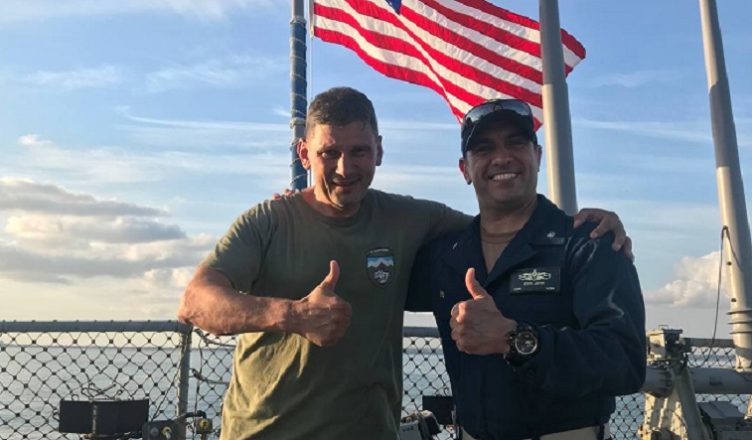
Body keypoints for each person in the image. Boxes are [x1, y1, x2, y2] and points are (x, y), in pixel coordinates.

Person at [177, 87, 630, 440]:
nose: (344, 168)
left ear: (379, 150)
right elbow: (196, 302)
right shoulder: (267, 221)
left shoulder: (413, 220)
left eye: (359, 151)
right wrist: (291, 315)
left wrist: (581, 226)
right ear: (304, 154)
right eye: (329, 153)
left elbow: (502, 223)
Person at [407, 99, 646, 440]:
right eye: (484, 148)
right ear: (465, 169)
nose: (502, 157)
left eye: (516, 143)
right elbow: (375, 284)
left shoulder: (588, 244)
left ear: (538, 156)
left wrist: (515, 339)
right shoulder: (444, 256)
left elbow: (624, 362)